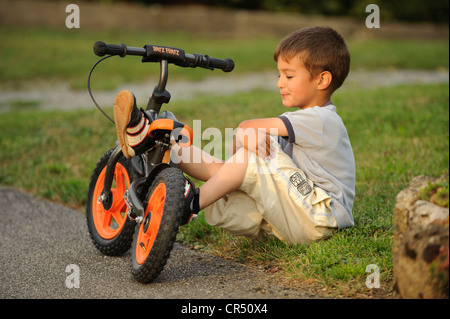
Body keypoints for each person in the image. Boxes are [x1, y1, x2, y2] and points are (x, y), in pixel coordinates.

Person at [113, 26, 355, 245]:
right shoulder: (302, 122)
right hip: (298, 217)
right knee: (238, 170)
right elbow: (235, 164)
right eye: (279, 75)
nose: (280, 83)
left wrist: (248, 135)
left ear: (322, 79)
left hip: (320, 215)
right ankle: (160, 145)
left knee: (252, 159)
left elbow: (248, 129)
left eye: (289, 76)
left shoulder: (322, 120)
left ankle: (188, 205)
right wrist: (246, 140)